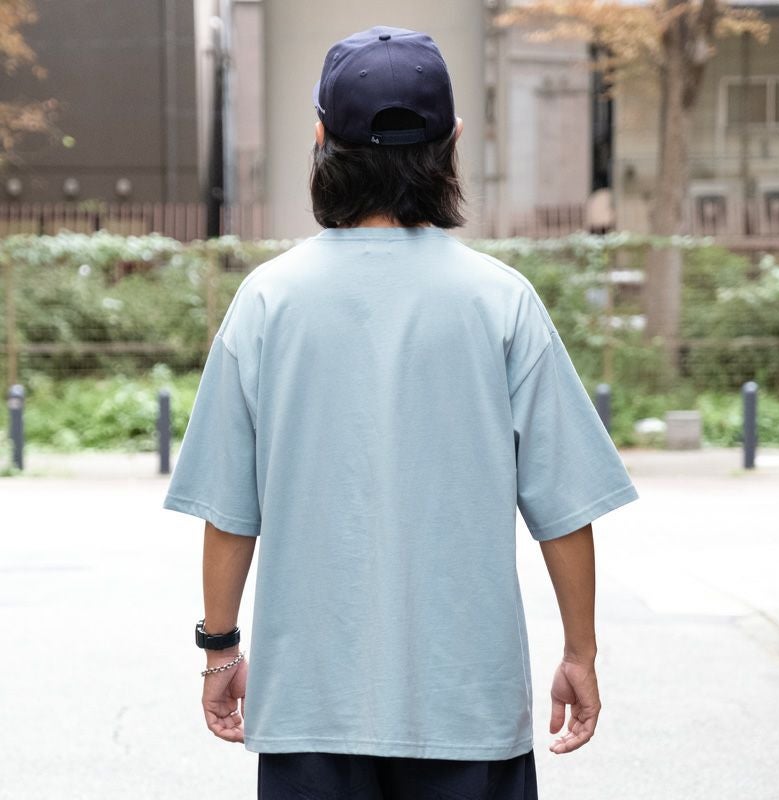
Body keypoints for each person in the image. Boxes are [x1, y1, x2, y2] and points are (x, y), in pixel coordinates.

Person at [163, 25, 638, 799]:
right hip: (468, 708)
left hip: (311, 709)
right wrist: (580, 653)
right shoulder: (501, 301)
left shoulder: (267, 301)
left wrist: (220, 650)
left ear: (322, 142)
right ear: (452, 143)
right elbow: (564, 508)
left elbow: (229, 508)